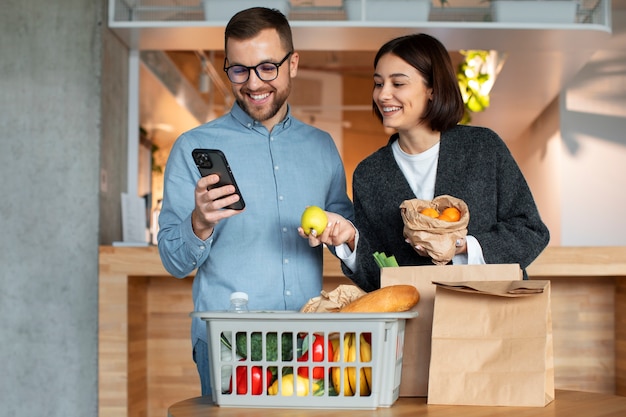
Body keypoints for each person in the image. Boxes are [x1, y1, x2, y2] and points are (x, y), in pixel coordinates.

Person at [157, 7, 354, 397]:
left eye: (267, 67)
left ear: (292, 63)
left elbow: (346, 236)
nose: (253, 83)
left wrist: (343, 234)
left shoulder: (322, 147)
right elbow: (173, 260)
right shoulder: (192, 147)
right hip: (229, 345)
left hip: (306, 345)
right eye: (240, 70)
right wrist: (199, 222)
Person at [317, 33, 550, 292]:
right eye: (379, 83)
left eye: (398, 83)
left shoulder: (482, 148)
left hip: (489, 319)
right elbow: (378, 279)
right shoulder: (370, 174)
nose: (383, 95)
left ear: (433, 89)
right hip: (416, 325)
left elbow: (530, 231)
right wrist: (350, 241)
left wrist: (460, 247)